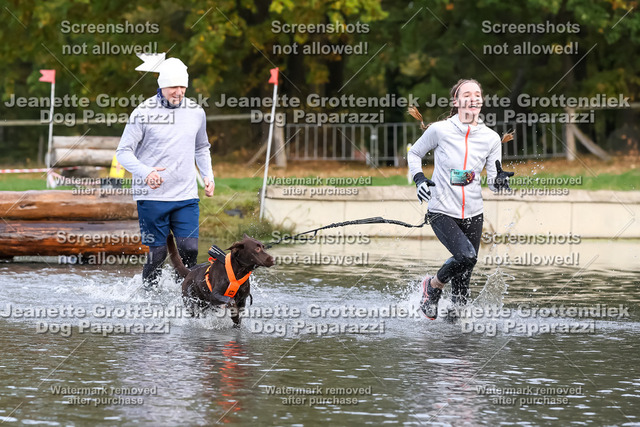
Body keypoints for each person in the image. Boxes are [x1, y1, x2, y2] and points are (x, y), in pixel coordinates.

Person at [407, 78, 514, 320]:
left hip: (473, 213)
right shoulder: (440, 130)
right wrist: (419, 179)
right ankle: (432, 286)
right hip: (441, 210)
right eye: (467, 94)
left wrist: (499, 182)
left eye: (477, 94)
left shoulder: (490, 138)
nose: (473, 98)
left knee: (463, 288)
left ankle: (453, 333)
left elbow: (492, 181)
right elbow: (414, 153)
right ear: (456, 102)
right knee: (467, 257)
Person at [116, 57, 215, 290]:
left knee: (189, 248)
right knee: (158, 253)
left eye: (183, 87)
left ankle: (186, 294)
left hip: (186, 195)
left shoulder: (196, 112)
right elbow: (123, 152)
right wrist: (145, 172)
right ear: (161, 85)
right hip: (152, 196)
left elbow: (202, 147)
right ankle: (149, 295)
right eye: (173, 87)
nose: (178, 92)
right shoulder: (143, 112)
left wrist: (208, 175)